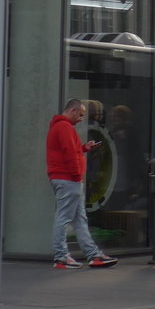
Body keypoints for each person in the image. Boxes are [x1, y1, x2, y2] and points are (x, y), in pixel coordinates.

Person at [46, 98, 118, 269]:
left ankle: (93, 255)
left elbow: (70, 150)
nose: (81, 119)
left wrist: (85, 148)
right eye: (80, 115)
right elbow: (70, 154)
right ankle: (61, 256)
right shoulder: (65, 127)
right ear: (73, 110)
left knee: (79, 219)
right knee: (65, 218)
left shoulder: (60, 127)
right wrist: (78, 176)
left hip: (65, 178)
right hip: (68, 179)